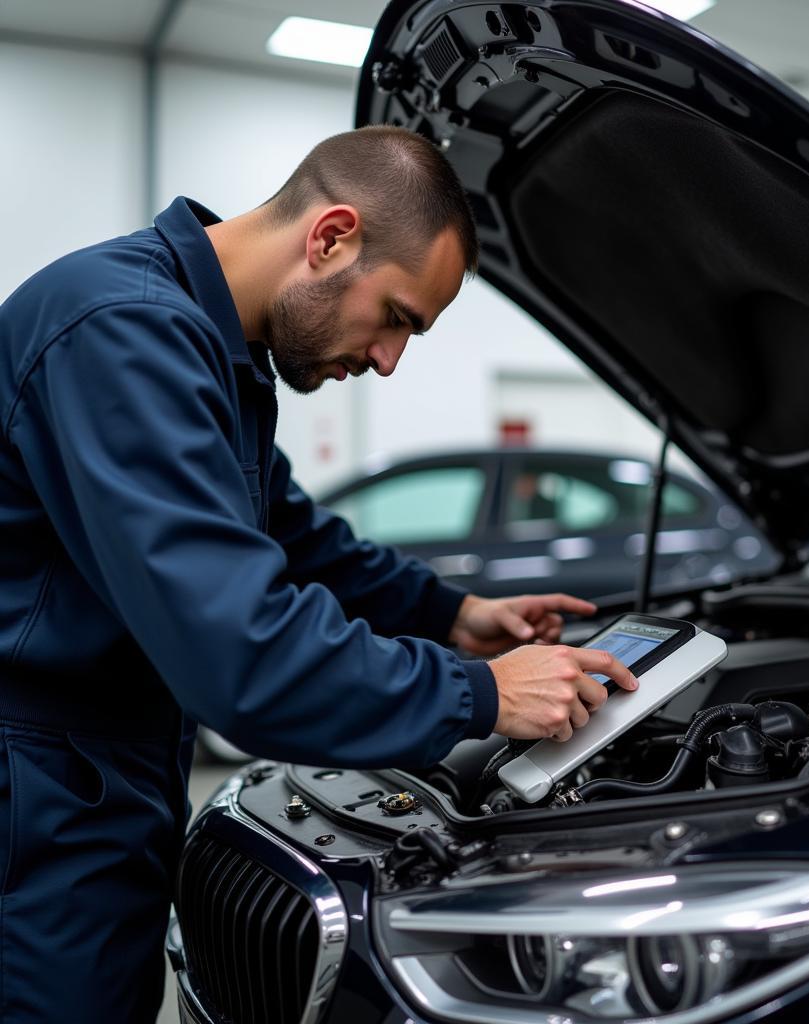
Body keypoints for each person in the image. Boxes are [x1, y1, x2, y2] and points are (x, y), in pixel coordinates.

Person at [0, 126, 637, 1022]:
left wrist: (454, 615)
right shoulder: (124, 332)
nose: (387, 360)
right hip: (35, 808)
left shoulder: (206, 345)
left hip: (101, 786)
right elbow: (240, 654)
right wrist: (478, 693)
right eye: (399, 319)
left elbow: (292, 535)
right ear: (331, 237)